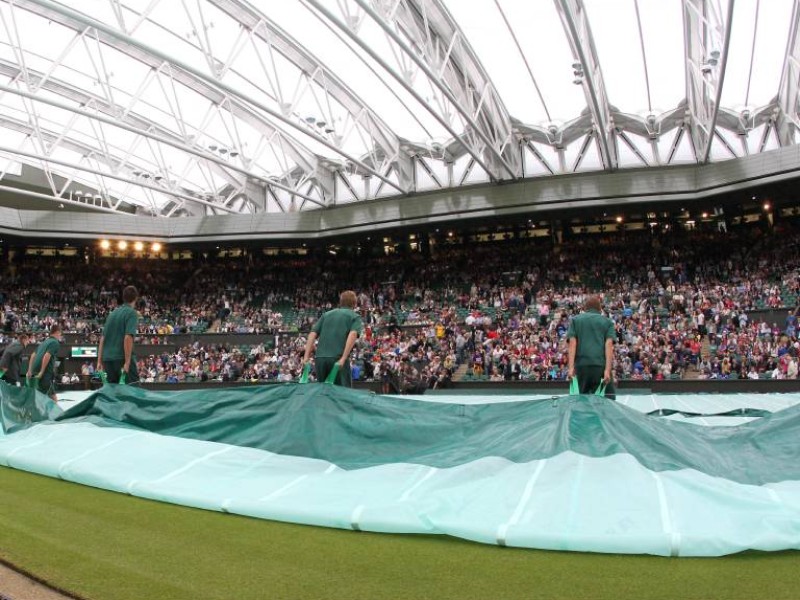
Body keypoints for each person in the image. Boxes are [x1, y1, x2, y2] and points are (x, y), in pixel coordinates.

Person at [303, 290, 363, 387]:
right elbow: (353, 334)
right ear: (355, 303)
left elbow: (312, 334)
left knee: (323, 393)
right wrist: (343, 358)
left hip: (320, 359)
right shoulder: (355, 316)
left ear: (340, 302)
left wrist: (306, 357)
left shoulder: (326, 314)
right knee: (342, 395)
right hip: (337, 359)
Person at [567, 295, 616, 398]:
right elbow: (609, 345)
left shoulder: (575, 321)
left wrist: (571, 368)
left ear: (585, 308)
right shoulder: (608, 322)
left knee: (580, 401)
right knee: (608, 401)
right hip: (600, 366)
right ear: (600, 309)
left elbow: (572, 344)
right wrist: (607, 370)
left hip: (581, 367)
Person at [97, 286, 140, 384]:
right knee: (134, 393)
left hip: (108, 360)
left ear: (123, 297)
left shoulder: (112, 314)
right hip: (122, 359)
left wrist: (99, 361)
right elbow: (128, 338)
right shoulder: (131, 313)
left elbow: (102, 339)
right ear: (136, 298)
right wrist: (128, 362)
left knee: (114, 394)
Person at [27, 325, 63, 402]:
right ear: (57, 332)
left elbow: (33, 355)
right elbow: (47, 356)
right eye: (60, 334)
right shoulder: (55, 342)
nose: (60, 336)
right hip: (45, 374)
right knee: (51, 397)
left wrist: (29, 370)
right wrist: (42, 372)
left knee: (48, 395)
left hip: (35, 371)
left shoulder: (44, 342)